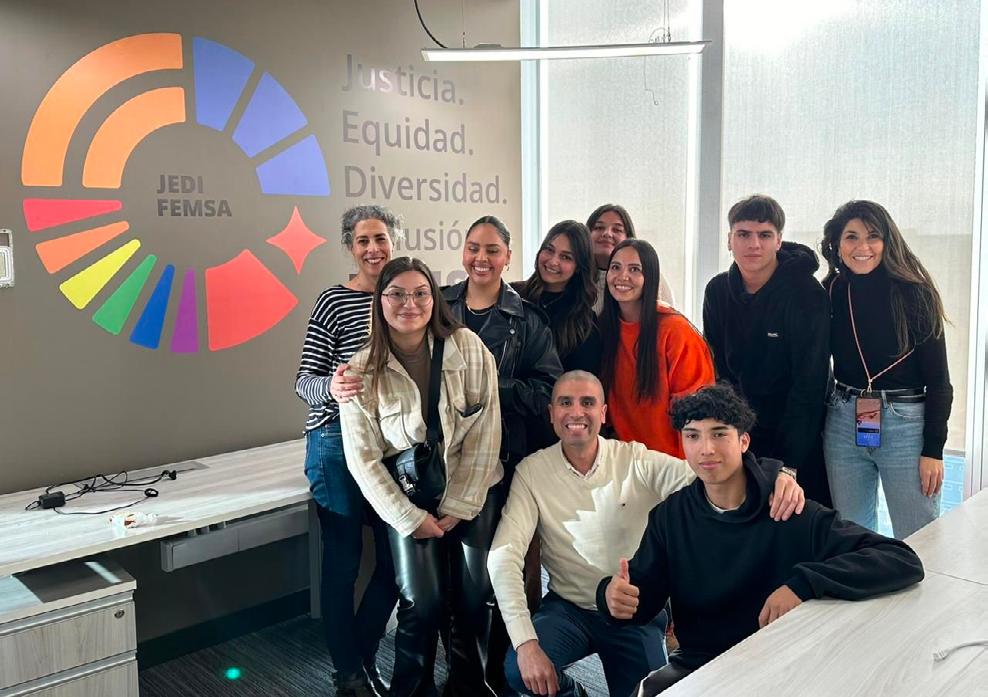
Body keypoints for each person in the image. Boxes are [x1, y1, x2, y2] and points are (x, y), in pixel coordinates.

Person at [489, 372, 804, 697]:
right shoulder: (532, 472)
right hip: (568, 609)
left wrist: (777, 475)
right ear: (552, 413)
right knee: (519, 671)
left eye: (588, 402)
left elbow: (709, 474)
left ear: (604, 413)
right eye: (565, 403)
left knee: (652, 693)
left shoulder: (635, 459)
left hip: (634, 611)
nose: (576, 412)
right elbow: (503, 557)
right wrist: (526, 644)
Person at [598, 383, 925, 696]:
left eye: (719, 434)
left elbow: (901, 559)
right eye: (693, 436)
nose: (706, 449)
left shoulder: (787, 508)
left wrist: (803, 585)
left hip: (783, 662)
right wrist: (613, 597)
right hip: (702, 665)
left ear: (743, 441)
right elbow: (642, 600)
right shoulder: (670, 516)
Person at [339, 257, 504, 697]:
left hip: (473, 490)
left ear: (435, 299)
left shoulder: (468, 349)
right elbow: (363, 461)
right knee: (422, 602)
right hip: (409, 501)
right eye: (396, 294)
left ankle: (469, 688)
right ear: (380, 300)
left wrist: (460, 505)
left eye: (420, 293)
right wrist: (410, 519)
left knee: (474, 598)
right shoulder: (358, 372)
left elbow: (486, 433)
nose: (409, 304)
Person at [294, 205, 400, 697]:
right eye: (363, 241)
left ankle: (361, 655)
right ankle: (349, 675)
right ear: (350, 247)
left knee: (396, 565)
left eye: (380, 238)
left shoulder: (405, 296)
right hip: (335, 441)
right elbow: (304, 382)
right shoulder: (334, 301)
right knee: (342, 563)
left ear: (394, 241)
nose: (373, 249)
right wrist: (332, 388)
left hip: (389, 446)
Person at [820, 200, 952, 539]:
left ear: (887, 241)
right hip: (843, 419)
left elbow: (940, 382)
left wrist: (933, 450)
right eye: (851, 237)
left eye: (873, 236)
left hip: (906, 426)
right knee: (852, 539)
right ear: (837, 244)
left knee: (919, 539)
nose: (862, 247)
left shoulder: (915, 293)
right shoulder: (832, 289)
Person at [702, 194, 832, 505]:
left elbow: (809, 385)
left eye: (764, 235)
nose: (754, 244)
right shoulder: (717, 291)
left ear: (779, 241)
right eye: (743, 234)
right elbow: (720, 373)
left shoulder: (806, 294)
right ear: (729, 240)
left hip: (801, 432)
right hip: (743, 432)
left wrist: (788, 464)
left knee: (797, 518)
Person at [442, 215, 562, 476]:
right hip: (442, 451)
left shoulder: (528, 320)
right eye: (473, 248)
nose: (481, 258)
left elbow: (546, 392)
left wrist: (489, 388)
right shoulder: (437, 305)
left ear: (508, 257)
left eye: (492, 251)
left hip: (502, 452)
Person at [600, 238, 714, 458]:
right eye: (615, 267)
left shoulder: (676, 331)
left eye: (635, 269)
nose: (622, 276)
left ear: (650, 277)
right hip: (625, 461)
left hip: (675, 464)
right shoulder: (605, 328)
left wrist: (688, 469)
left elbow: (697, 412)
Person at [514, 220, 601, 373]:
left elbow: (580, 382)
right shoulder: (512, 295)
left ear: (579, 267)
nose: (553, 261)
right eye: (549, 250)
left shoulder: (584, 323)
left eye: (566, 257)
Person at [586, 203, 674, 313]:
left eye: (617, 230)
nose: (607, 234)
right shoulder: (576, 275)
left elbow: (667, 316)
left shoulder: (650, 275)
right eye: (599, 228)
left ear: (629, 238)